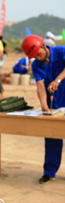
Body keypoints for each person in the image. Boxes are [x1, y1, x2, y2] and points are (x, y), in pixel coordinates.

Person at [22, 34, 65, 184]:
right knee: (52, 136)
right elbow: (40, 85)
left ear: (43, 45)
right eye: (35, 56)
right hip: (54, 104)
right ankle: (49, 171)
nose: (38, 58)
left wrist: (57, 80)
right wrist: (44, 105)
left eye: (39, 54)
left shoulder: (61, 51)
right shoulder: (36, 65)